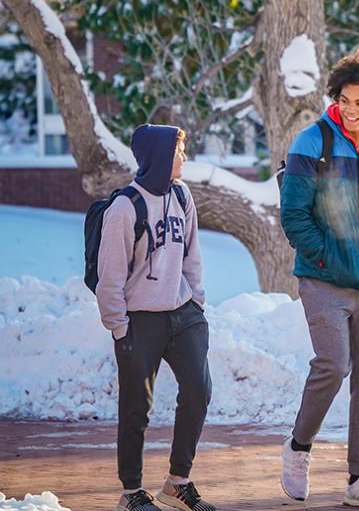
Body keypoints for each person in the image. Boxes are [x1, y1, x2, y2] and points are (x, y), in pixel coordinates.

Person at [279, 46, 359, 509]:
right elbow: (293, 214)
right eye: (346, 101)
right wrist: (325, 256)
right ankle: (298, 448)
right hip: (322, 280)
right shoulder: (312, 142)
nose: (353, 111)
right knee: (333, 364)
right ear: (335, 98)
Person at [96, 125, 215, 511]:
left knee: (198, 390)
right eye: (179, 151)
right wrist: (119, 326)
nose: (183, 158)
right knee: (136, 407)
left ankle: (178, 482)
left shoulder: (182, 195)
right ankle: (131, 492)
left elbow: (192, 254)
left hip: (184, 314)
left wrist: (196, 301)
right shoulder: (124, 208)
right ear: (159, 157)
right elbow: (109, 277)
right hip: (140, 319)